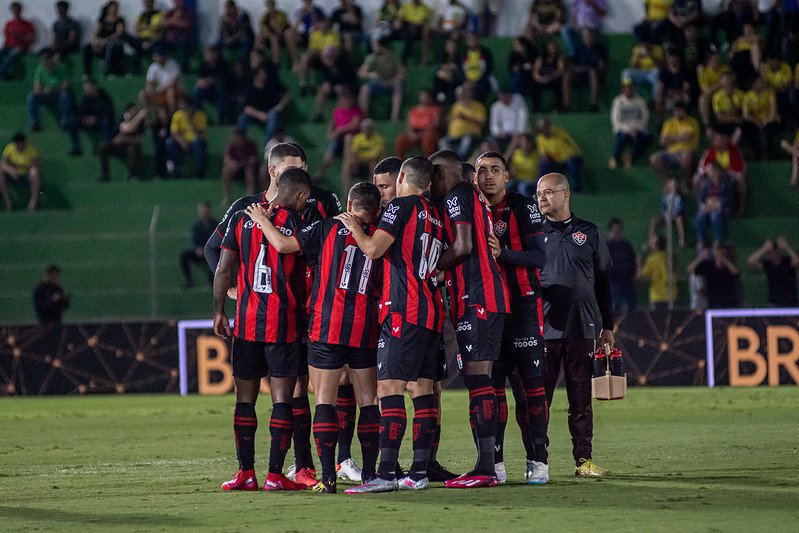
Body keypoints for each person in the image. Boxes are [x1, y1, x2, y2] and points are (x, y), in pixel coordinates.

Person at [247, 182, 383, 493]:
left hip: (326, 327)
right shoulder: (379, 234)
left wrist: (263, 220)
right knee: (367, 401)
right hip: (364, 327)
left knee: (325, 400)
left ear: (349, 202)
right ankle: (372, 474)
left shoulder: (324, 228)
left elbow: (282, 246)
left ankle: (327, 476)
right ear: (375, 209)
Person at [336, 157, 446, 493]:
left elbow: (372, 249)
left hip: (404, 309)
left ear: (402, 177)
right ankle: (418, 472)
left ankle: (385, 474)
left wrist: (353, 226)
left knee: (389, 389)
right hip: (431, 311)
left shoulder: (402, 206)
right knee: (424, 392)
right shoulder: (436, 215)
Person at [214, 168, 313, 492]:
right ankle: (274, 474)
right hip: (283, 325)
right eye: (305, 198)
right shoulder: (299, 224)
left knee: (245, 399)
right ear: (299, 195)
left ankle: (245, 473)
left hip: (245, 323)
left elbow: (223, 267)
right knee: (282, 399)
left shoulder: (241, 219)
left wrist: (219, 311)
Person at [429, 149, 510, 489]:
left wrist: (433, 268)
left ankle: (487, 469)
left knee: (480, 383)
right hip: (479, 297)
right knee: (482, 383)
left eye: (434, 174)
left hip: (478, 298)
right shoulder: (470, 196)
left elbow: (462, 246)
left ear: (442, 174)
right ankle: (485, 465)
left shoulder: (458, 194)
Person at [475, 152, 550, 485]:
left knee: (532, 389)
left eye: (494, 170)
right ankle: (496, 462)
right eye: (481, 171)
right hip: (487, 310)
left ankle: (539, 460)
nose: (488, 176)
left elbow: (539, 257)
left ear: (506, 175)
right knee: (492, 389)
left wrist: (501, 253)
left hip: (522, 305)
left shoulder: (522, 206)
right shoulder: (470, 209)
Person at [537, 171, 613, 477]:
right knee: (539, 401)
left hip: (582, 328)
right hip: (543, 330)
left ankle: (584, 461)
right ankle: (537, 461)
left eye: (549, 192)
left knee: (581, 400)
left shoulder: (589, 233)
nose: (542, 198)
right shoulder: (532, 234)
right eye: (539, 194)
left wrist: (607, 325)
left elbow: (604, 283)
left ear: (566, 195)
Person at [237, 66, 290, 144]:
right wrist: (260, 115)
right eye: (261, 73)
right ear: (256, 75)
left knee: (273, 115)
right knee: (242, 117)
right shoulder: (249, 88)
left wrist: (280, 106)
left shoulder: (271, 85)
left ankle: (268, 145)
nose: (264, 75)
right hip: (255, 114)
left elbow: (287, 94)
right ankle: (239, 143)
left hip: (270, 112)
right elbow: (246, 108)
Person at [317, 90, 363, 180]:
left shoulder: (357, 111)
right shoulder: (338, 110)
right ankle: (319, 174)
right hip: (338, 139)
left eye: (350, 99)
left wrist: (339, 130)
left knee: (348, 138)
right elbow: (333, 123)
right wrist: (330, 133)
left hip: (352, 139)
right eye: (346, 99)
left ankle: (350, 169)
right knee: (329, 155)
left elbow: (354, 125)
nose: (348, 101)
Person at [649, 101, 699, 180]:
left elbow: (688, 138)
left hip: (686, 152)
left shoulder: (692, 122)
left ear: (685, 111)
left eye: (680, 111)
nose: (678, 113)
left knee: (687, 157)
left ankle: (687, 181)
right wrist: (681, 137)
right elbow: (663, 141)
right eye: (676, 111)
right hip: (670, 153)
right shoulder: (669, 123)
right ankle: (667, 181)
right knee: (654, 158)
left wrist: (671, 138)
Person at [358, 38, 405, 122]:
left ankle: (394, 117)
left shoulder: (393, 56)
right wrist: (370, 75)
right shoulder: (371, 58)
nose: (373, 48)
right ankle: (364, 117)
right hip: (378, 82)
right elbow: (361, 73)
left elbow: (401, 74)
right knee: (364, 89)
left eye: (375, 46)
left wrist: (391, 81)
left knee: (398, 85)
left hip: (392, 82)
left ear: (382, 46)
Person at [609, 78, 652, 169]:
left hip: (637, 128)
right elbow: (616, 120)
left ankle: (631, 157)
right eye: (626, 87)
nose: (628, 89)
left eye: (630, 87)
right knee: (622, 138)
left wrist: (636, 129)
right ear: (623, 89)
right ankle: (615, 158)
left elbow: (645, 117)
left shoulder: (640, 101)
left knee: (648, 136)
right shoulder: (618, 101)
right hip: (623, 129)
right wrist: (629, 130)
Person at [98, 103, 147, 182]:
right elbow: (125, 128)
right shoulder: (122, 119)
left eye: (134, 110)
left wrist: (125, 139)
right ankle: (105, 174)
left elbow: (138, 139)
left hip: (131, 148)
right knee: (103, 147)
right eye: (131, 110)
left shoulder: (140, 123)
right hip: (119, 147)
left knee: (133, 148)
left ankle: (134, 175)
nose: (133, 112)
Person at [27, 49, 73, 133]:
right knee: (31, 96)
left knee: (65, 95)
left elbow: (66, 85)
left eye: (46, 60)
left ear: (51, 59)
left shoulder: (62, 67)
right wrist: (42, 91)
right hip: (45, 95)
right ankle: (35, 123)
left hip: (58, 95)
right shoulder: (40, 69)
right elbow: (36, 87)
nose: (44, 63)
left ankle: (65, 121)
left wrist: (53, 89)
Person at [67, 77, 115, 157]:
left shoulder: (105, 97)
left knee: (106, 122)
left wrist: (96, 119)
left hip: (100, 122)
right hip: (88, 122)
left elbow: (108, 113)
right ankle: (76, 148)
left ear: (94, 87)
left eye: (88, 88)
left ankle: (106, 148)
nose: (85, 90)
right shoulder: (86, 98)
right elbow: (80, 112)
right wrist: (84, 118)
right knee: (72, 121)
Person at [746, 237, 799, 307]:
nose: (770, 255)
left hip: (790, 302)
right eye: (768, 253)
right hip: (773, 302)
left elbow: (797, 261)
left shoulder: (787, 261)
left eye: (772, 252)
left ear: (777, 252)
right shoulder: (768, 264)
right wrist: (764, 249)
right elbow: (750, 262)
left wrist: (786, 247)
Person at [438, 85, 486, 160]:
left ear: (469, 94)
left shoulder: (478, 106)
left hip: (470, 135)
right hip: (453, 135)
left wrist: (466, 118)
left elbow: (482, 123)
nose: (461, 97)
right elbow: (450, 120)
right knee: (442, 141)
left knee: (466, 141)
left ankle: (458, 160)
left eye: (463, 94)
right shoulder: (455, 106)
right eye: (459, 95)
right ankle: (450, 160)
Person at [535, 118, 584, 192]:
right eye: (541, 128)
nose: (543, 130)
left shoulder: (559, 132)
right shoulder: (540, 139)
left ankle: (577, 189)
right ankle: (541, 190)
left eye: (545, 127)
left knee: (572, 162)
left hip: (571, 159)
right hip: (556, 162)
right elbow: (544, 154)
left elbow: (572, 148)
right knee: (543, 164)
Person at [687, 243, 741, 308]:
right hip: (713, 303)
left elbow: (736, 273)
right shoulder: (709, 265)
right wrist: (701, 257)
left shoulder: (729, 267)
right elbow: (690, 269)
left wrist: (724, 260)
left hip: (730, 303)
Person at [312, 46, 358, 122]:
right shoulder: (326, 66)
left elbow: (344, 79)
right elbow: (328, 79)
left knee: (339, 88)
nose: (326, 59)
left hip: (349, 86)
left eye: (329, 57)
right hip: (335, 86)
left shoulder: (343, 62)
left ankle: (339, 116)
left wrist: (332, 81)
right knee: (322, 89)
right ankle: (318, 114)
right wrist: (327, 83)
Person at [82, 1, 128, 77]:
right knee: (87, 47)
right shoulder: (101, 20)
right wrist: (96, 42)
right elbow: (95, 33)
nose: (114, 10)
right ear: (108, 9)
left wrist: (105, 41)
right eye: (112, 8)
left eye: (116, 8)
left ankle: (110, 71)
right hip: (101, 44)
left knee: (111, 46)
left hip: (113, 44)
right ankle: (87, 73)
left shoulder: (120, 20)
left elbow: (118, 33)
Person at [694, 162, 735, 245]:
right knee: (700, 216)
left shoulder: (727, 183)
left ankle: (719, 240)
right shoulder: (705, 184)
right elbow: (700, 199)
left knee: (715, 216)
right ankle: (701, 240)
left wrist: (717, 204)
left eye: (709, 170)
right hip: (708, 207)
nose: (708, 172)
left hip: (722, 208)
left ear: (716, 171)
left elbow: (730, 198)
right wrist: (704, 207)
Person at [180, 201, 218, 288]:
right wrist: (197, 248)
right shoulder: (197, 226)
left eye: (205, 210)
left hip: (212, 253)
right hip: (200, 253)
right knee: (184, 256)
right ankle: (189, 280)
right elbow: (194, 240)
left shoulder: (216, 225)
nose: (203, 213)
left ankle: (213, 283)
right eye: (201, 211)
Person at [166, 100, 207, 179]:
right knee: (169, 143)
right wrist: (182, 142)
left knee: (198, 143)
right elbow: (174, 133)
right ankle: (178, 169)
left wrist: (190, 121)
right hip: (181, 142)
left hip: (195, 143)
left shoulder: (201, 116)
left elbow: (201, 135)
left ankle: (199, 172)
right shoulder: (178, 115)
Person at [395, 89, 441, 159]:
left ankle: (429, 163)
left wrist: (421, 134)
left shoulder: (435, 109)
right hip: (414, 133)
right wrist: (411, 133)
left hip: (428, 132)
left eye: (426, 96)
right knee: (401, 140)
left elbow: (436, 124)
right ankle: (400, 164)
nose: (424, 98)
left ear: (430, 97)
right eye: (422, 96)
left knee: (428, 138)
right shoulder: (413, 110)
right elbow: (409, 125)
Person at [741, 76, 779, 160]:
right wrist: (757, 122)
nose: (761, 83)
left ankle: (768, 154)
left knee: (768, 129)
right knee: (746, 126)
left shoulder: (770, 93)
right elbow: (746, 115)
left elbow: (773, 114)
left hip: (770, 121)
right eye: (758, 82)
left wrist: (765, 122)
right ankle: (754, 153)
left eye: (761, 81)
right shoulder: (748, 96)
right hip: (756, 122)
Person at [0, 132, 41, 212]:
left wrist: (20, 167)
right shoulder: (9, 148)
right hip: (12, 175)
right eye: (17, 143)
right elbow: (2, 164)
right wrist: (11, 170)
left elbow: (36, 164)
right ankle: (8, 203)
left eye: (21, 142)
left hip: (27, 175)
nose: (19, 145)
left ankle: (33, 203)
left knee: (34, 171)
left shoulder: (32, 149)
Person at [606, 218, 638, 318]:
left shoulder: (626, 246)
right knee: (616, 307)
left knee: (632, 307)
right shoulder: (606, 247)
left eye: (618, 230)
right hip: (614, 283)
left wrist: (633, 274)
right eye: (614, 230)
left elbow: (633, 261)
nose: (617, 233)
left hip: (628, 282)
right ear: (610, 231)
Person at [570, 29, 608, 111]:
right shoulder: (579, 49)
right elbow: (574, 66)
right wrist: (584, 68)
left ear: (593, 37)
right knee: (566, 75)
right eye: (585, 36)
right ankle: (566, 106)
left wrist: (591, 69)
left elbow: (601, 66)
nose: (587, 38)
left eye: (589, 36)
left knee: (592, 72)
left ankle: (593, 105)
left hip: (596, 75)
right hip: (581, 74)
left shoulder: (600, 49)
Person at [192, 46, 232, 124]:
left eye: (211, 54)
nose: (209, 56)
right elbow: (200, 81)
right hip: (207, 91)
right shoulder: (203, 66)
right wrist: (209, 81)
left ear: (216, 55)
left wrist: (210, 81)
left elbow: (222, 80)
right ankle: (199, 117)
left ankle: (223, 118)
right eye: (207, 54)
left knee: (221, 90)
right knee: (198, 92)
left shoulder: (222, 65)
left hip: (219, 91)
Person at [637, 235, 676, 313]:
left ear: (656, 245)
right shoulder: (671, 257)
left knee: (658, 322)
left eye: (652, 243)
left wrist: (638, 262)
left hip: (658, 296)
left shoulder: (653, 259)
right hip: (672, 294)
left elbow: (641, 275)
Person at [221, 128, 258, 206]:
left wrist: (243, 163)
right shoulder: (231, 145)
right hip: (236, 169)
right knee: (226, 171)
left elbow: (253, 160)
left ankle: (249, 196)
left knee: (249, 170)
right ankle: (227, 196)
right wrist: (234, 164)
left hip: (247, 168)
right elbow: (226, 160)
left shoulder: (251, 144)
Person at [0, 2, 36, 80]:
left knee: (10, 57)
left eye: (17, 9)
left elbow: (32, 39)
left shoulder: (27, 24)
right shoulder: (9, 24)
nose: (16, 11)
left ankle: (1, 75)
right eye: (14, 9)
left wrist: (21, 36)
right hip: (9, 47)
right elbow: (6, 39)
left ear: (21, 10)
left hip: (21, 48)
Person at [532, 39, 568, 112]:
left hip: (553, 78)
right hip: (542, 79)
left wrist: (550, 77)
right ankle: (537, 107)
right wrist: (540, 78)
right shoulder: (541, 58)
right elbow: (535, 72)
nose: (552, 49)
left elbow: (560, 70)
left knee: (558, 83)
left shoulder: (559, 57)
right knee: (534, 85)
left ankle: (557, 107)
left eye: (554, 47)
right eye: (550, 47)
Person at [650, 176, 686, 248]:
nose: (673, 186)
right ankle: (651, 239)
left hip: (676, 215)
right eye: (671, 184)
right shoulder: (665, 196)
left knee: (679, 220)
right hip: (665, 215)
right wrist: (665, 214)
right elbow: (662, 207)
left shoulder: (680, 196)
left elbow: (681, 206)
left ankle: (682, 238)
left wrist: (675, 213)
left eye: (674, 184)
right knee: (654, 220)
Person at [347, 119, 385, 185]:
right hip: (360, 161)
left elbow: (376, 156)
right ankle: (348, 189)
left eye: (368, 128)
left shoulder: (378, 139)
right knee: (349, 165)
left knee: (373, 165)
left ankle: (373, 187)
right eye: (365, 128)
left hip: (370, 162)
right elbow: (354, 154)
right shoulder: (357, 138)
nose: (367, 130)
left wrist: (363, 159)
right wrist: (359, 160)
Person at [459, 33, 494, 103]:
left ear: (478, 40)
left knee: (482, 88)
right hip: (467, 81)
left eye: (474, 39)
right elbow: (460, 69)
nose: (472, 41)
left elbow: (489, 69)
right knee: (459, 90)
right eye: (469, 40)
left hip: (482, 80)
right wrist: (466, 80)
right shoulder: (464, 53)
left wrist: (477, 81)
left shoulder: (486, 52)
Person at [131, 0, 164, 72]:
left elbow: (157, 28)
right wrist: (150, 27)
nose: (147, 2)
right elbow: (137, 28)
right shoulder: (142, 15)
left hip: (154, 38)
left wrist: (144, 27)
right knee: (135, 42)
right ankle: (135, 69)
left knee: (155, 44)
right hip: (141, 39)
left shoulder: (160, 13)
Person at [396, 0, 433, 64]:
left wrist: (412, 23)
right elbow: (400, 18)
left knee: (424, 30)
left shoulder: (425, 8)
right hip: (406, 27)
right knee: (404, 29)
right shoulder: (405, 6)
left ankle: (424, 58)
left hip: (418, 29)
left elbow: (421, 21)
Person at [256, 0, 291, 66]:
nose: (271, 7)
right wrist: (268, 34)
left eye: (272, 4)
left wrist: (273, 22)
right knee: (258, 37)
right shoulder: (264, 17)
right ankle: (257, 57)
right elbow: (263, 31)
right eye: (269, 5)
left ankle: (276, 61)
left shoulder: (281, 15)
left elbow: (281, 30)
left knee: (274, 39)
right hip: (269, 37)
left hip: (281, 37)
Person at [162, 0, 194, 71]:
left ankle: (183, 67)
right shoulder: (170, 12)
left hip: (183, 39)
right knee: (159, 43)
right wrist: (175, 20)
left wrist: (172, 21)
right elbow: (164, 23)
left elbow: (186, 25)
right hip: (170, 39)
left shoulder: (188, 12)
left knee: (183, 44)